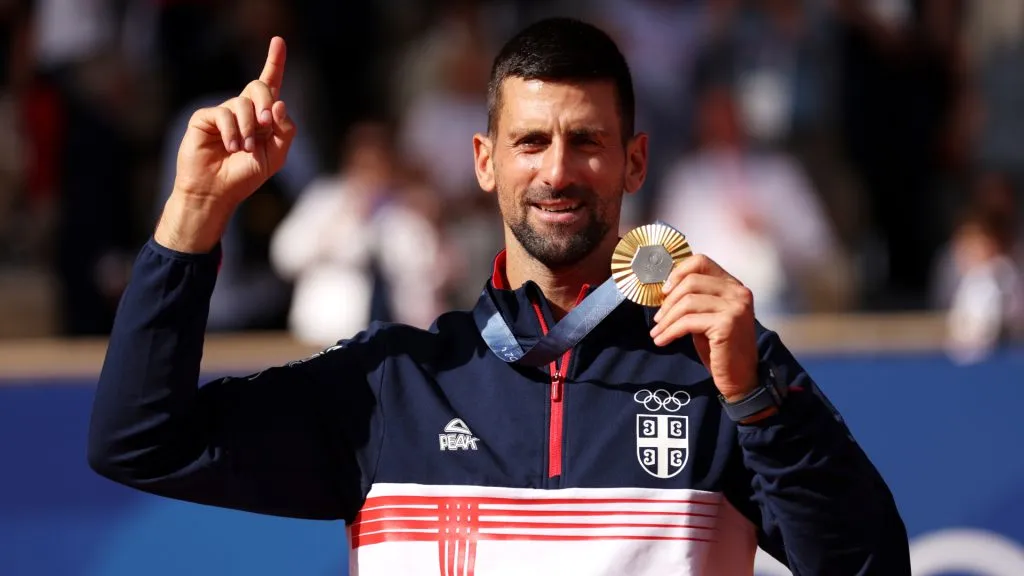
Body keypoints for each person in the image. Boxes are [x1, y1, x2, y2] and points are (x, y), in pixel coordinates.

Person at [87, 18, 910, 576]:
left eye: (587, 141)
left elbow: (871, 566)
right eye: (531, 141)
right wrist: (193, 214)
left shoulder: (719, 365)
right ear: (485, 161)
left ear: (634, 161)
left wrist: (758, 403)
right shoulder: (392, 385)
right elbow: (139, 441)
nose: (557, 170)